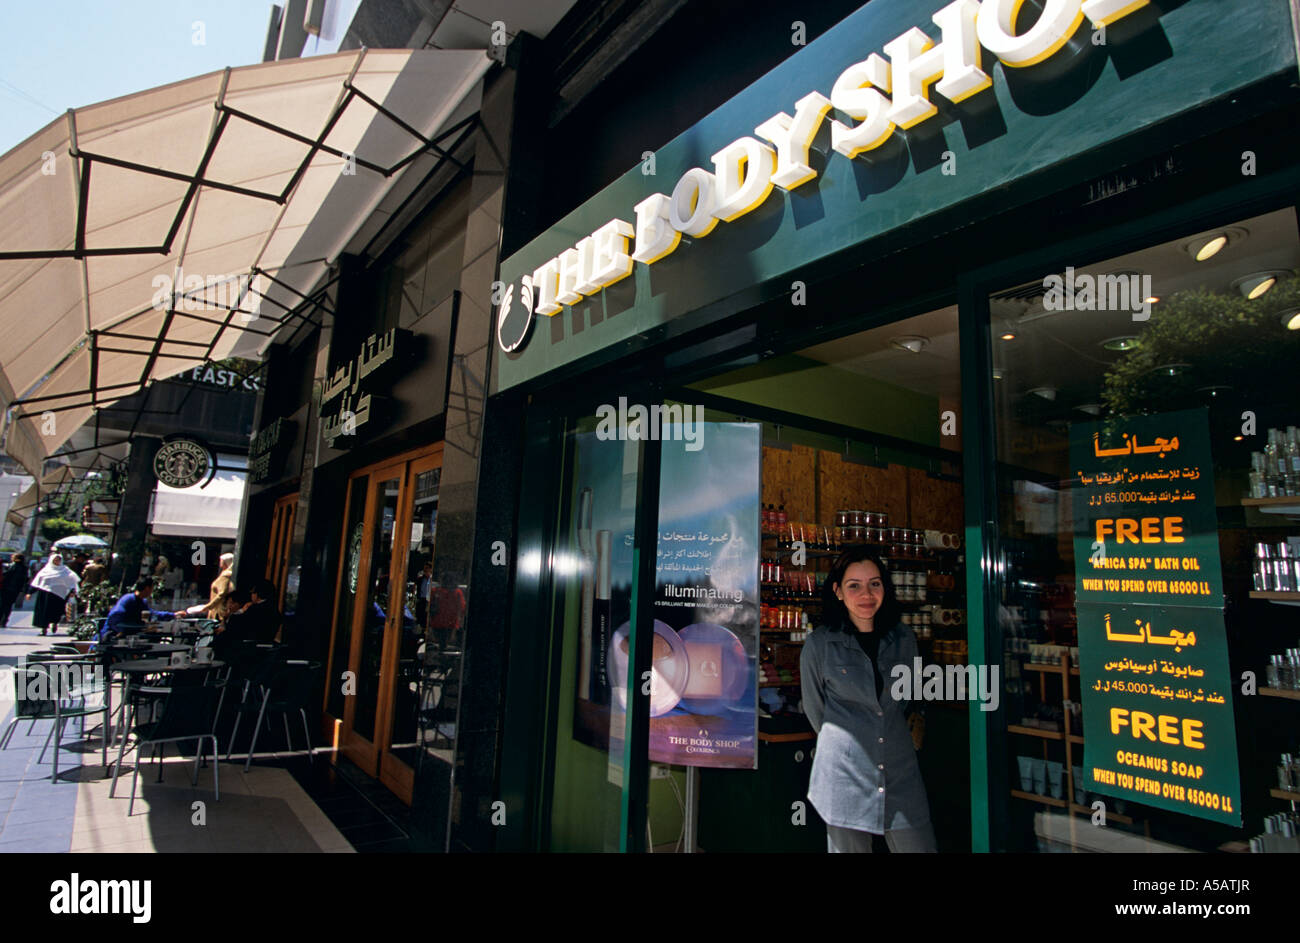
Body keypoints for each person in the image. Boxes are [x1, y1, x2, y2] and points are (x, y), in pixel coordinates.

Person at [800, 546, 935, 853]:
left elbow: (905, 700)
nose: (866, 594)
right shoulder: (819, 645)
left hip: (900, 774)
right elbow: (815, 710)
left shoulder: (904, 640)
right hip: (844, 777)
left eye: (875, 583)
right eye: (854, 585)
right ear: (837, 591)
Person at [212, 578, 281, 659]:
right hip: (262, 647)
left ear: (257, 594)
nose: (251, 595)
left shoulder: (256, 609)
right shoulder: (274, 610)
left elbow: (239, 624)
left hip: (246, 648)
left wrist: (234, 615)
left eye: (252, 593)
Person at [96, 579, 178, 643]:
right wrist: (121, 630)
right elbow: (115, 616)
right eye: (152, 588)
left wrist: (173, 615)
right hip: (111, 636)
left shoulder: (142, 601)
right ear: (147, 588)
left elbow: (152, 614)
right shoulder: (128, 599)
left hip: (130, 635)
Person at [28, 553, 80, 636]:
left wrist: (72, 591)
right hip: (45, 594)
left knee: (56, 612)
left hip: (58, 595)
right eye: (55, 560)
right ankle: (43, 629)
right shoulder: (45, 570)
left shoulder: (65, 570)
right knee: (44, 613)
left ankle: (55, 623)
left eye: (58, 560)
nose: (56, 562)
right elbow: (37, 582)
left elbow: (72, 581)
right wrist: (30, 592)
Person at [185, 551, 235, 622]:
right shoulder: (224, 574)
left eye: (221, 560)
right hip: (216, 609)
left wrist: (209, 606)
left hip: (218, 610)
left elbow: (222, 593)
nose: (220, 562)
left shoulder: (226, 575)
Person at [0, 553, 26, 627]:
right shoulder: (24, 568)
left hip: (6, 588)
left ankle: (2, 620)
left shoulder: (13, 566)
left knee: (2, 605)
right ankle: (4, 620)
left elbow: (6, 575)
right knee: (9, 605)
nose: (11, 558)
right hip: (15, 589)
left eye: (13, 557)